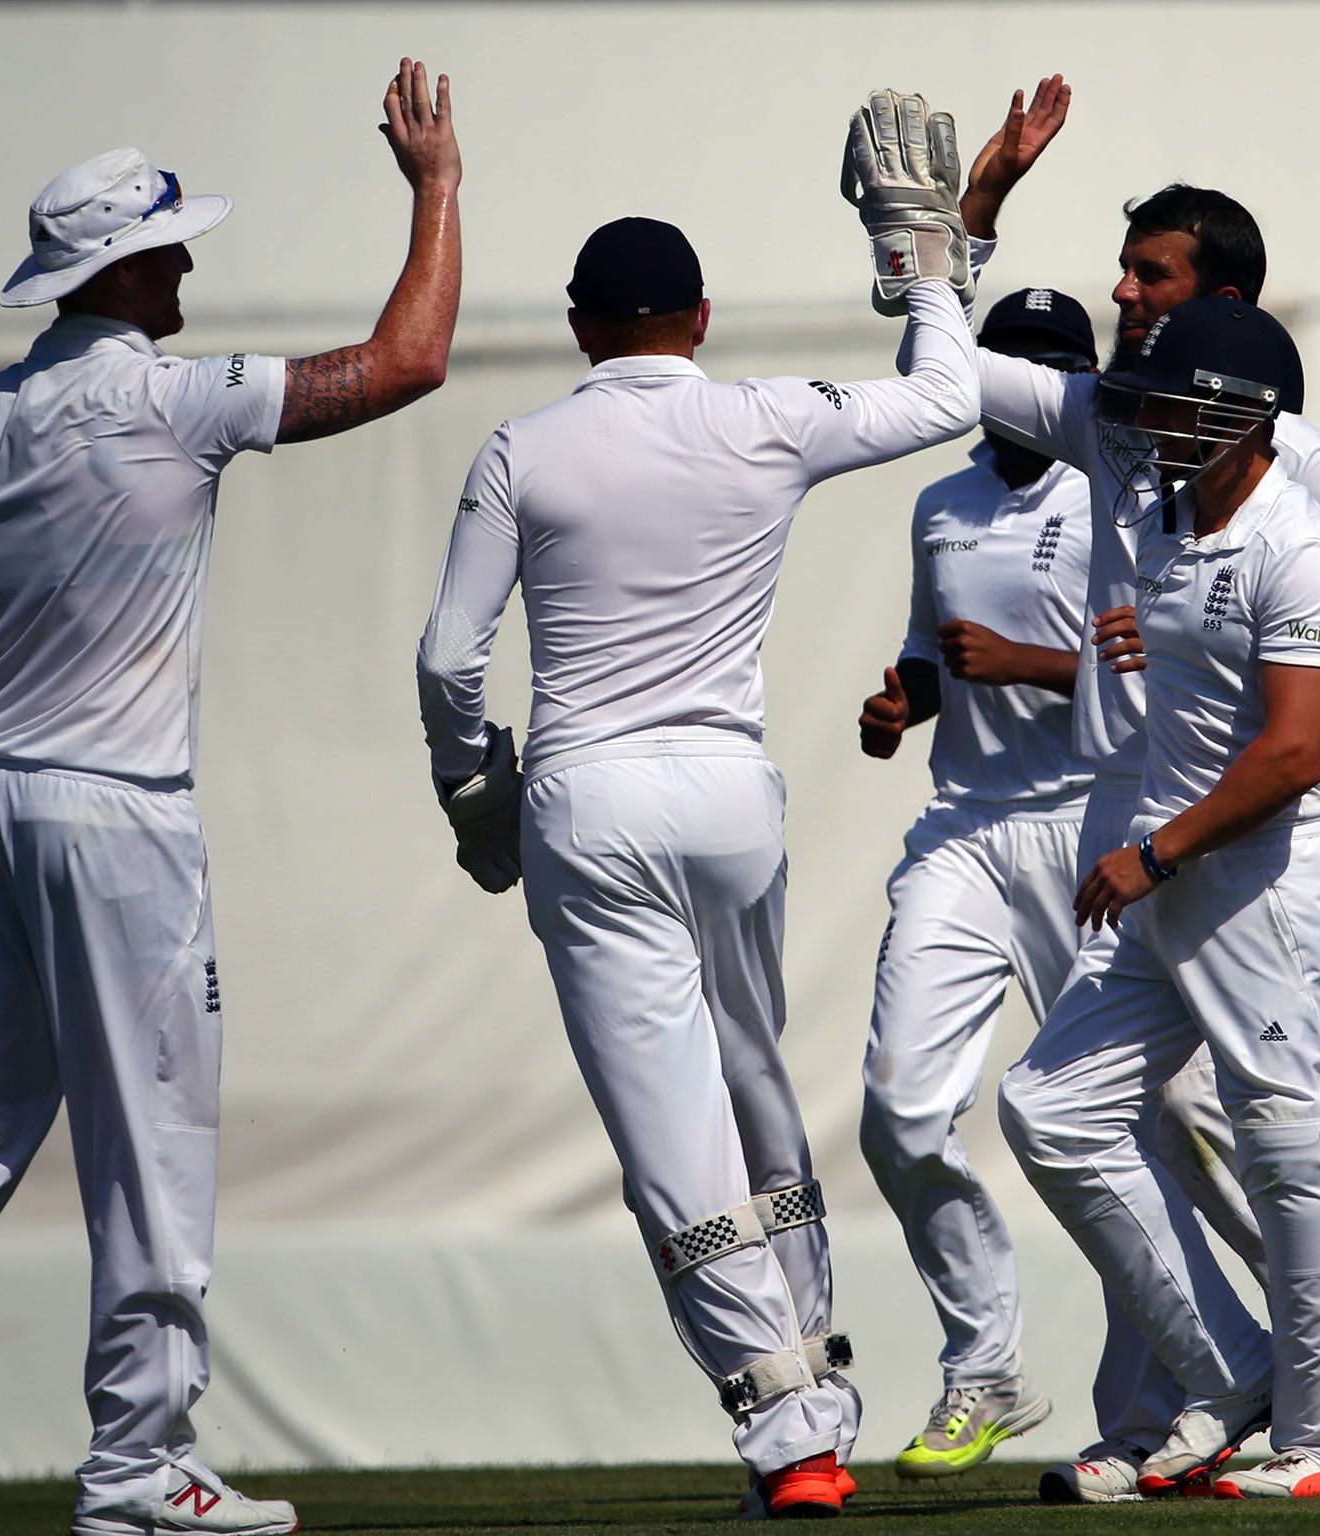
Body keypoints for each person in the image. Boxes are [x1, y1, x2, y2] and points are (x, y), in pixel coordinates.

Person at [0, 60, 461, 1536]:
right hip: (120, 816)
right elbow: (408, 363)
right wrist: (436, 189)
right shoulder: (178, 399)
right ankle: (136, 1469)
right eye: (173, 244)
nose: (190, 260)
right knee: (155, 1130)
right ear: (124, 265)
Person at [413, 92, 978, 1521]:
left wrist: (477, 793)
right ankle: (822, 1371)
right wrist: (921, 252)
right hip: (731, 801)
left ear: (581, 323)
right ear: (703, 317)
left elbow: (446, 658)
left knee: (674, 1139)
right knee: (749, 1086)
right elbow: (948, 397)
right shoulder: (765, 419)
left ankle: (791, 1429)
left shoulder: (524, 449)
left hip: (589, 803)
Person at [942, 78, 1320, 1499]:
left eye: (1149, 278)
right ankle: (1228, 1389)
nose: (1122, 300)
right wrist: (973, 213)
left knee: (1273, 1135)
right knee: (1066, 1115)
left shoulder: (1300, 483)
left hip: (1247, 846)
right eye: (1124, 278)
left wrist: (1219, 640)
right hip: (1144, 825)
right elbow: (943, 370)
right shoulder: (1135, 436)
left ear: (1225, 324)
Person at [853, 287, 1097, 1479]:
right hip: (960, 828)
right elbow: (929, 648)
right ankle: (983, 1367)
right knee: (897, 1111)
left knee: (1133, 1124)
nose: (1034, 385)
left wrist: (1024, 665)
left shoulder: (1113, 498)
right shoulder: (939, 501)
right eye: (1014, 360)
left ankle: (1248, 1366)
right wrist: (906, 701)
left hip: (1085, 825)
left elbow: (1153, 679)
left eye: (1057, 366)